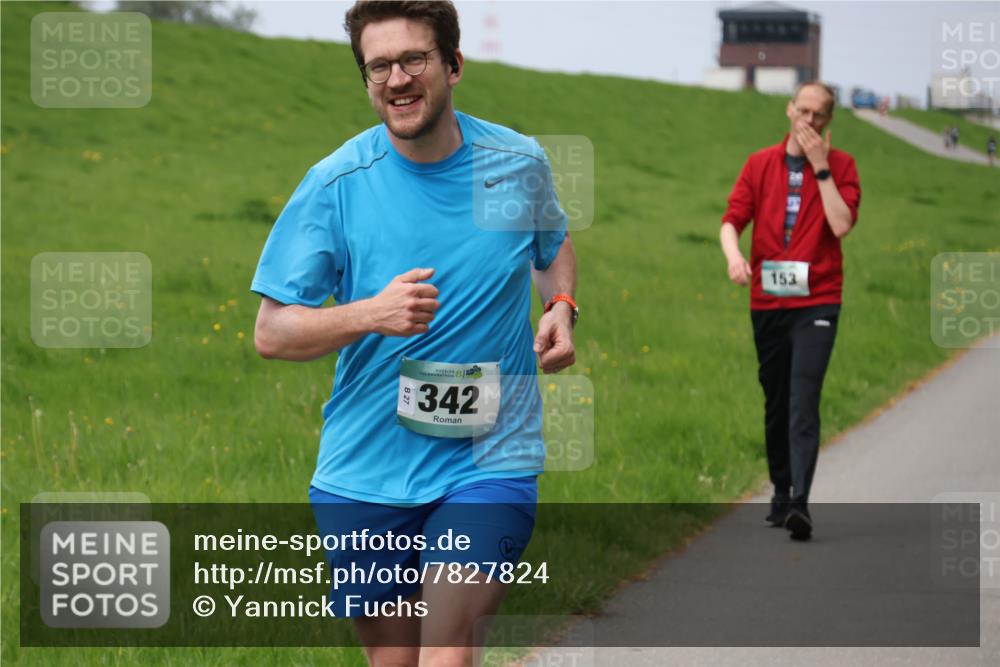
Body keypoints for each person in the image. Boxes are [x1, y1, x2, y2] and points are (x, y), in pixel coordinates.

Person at [251, 1, 577, 664]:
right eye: (378, 66)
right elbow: (272, 332)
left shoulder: (516, 164)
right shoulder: (336, 184)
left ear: (453, 65)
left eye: (412, 59)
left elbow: (552, 245)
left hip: (489, 461)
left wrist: (562, 305)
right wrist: (369, 312)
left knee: (448, 650)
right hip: (365, 470)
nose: (396, 78)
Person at [718, 81, 861, 541]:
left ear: (829, 120)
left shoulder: (842, 166)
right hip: (767, 300)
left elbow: (841, 224)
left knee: (803, 398)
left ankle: (801, 501)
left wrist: (821, 169)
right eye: (803, 111)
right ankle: (781, 490)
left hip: (818, 299)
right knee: (776, 398)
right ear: (789, 110)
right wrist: (733, 256)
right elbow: (731, 221)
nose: (810, 121)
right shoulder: (760, 163)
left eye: (819, 115)